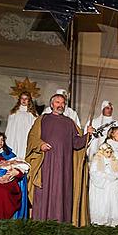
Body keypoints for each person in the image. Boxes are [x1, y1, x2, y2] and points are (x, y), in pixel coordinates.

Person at [25, 93, 94, 224]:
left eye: (62, 103)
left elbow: (77, 143)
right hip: (46, 164)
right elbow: (32, 138)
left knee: (62, 193)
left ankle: (62, 225)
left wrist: (87, 135)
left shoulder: (69, 122)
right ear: (51, 105)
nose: (60, 105)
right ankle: (40, 224)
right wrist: (41, 144)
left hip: (64, 166)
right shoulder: (42, 119)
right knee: (44, 192)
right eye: (57, 102)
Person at [89, 142, 118, 226]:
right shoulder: (97, 161)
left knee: (112, 205)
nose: (109, 154)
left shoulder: (114, 161)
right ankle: (100, 221)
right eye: (107, 152)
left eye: (110, 152)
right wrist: (105, 176)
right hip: (101, 187)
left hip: (112, 188)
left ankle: (112, 222)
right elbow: (94, 173)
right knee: (102, 204)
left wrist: (116, 177)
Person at [5, 92, 37, 159]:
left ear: (29, 100)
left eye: (26, 99)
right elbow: (9, 128)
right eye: (22, 98)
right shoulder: (14, 113)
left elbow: (35, 129)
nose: (24, 100)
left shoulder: (32, 114)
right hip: (14, 137)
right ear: (19, 100)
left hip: (26, 137)